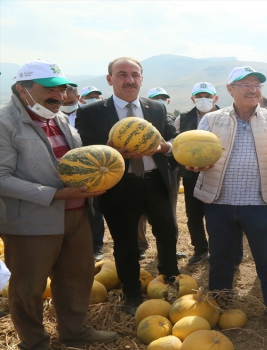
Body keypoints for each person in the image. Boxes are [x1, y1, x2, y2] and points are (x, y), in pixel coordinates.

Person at [0, 59, 117, 348]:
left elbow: (78, 160)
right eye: (50, 89)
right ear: (22, 89)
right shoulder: (4, 123)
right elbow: (1, 178)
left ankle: (74, 332)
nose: (59, 96)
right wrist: (54, 194)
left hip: (76, 215)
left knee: (77, 279)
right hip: (31, 219)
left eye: (63, 89)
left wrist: (108, 157)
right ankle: (35, 341)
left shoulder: (58, 117)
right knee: (29, 287)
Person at [191, 66, 267, 339]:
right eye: (245, 84)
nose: (253, 89)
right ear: (229, 90)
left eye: (257, 85)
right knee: (221, 260)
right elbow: (196, 153)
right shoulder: (212, 120)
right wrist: (194, 163)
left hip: (260, 204)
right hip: (219, 202)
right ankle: (218, 309)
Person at [75, 57, 181, 315]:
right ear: (110, 79)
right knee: (125, 244)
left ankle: (170, 282)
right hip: (119, 187)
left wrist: (163, 147)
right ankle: (132, 294)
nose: (129, 79)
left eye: (135, 74)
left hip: (155, 183)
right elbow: (85, 150)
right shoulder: (91, 112)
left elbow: (173, 139)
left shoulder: (156, 107)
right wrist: (110, 151)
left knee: (168, 234)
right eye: (122, 74)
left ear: (142, 79)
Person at [173, 82, 243, 266]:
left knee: (222, 214)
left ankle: (220, 250)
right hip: (191, 173)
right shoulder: (182, 119)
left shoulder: (229, 117)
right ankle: (200, 249)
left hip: (219, 172)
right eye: (199, 96)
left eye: (207, 96)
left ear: (216, 98)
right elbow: (176, 145)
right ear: (192, 99)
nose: (203, 100)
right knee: (193, 214)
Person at [142, 87, 185, 261]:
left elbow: (176, 139)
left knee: (168, 213)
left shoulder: (168, 118)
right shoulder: (138, 118)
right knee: (138, 216)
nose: (160, 100)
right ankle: (140, 247)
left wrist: (166, 146)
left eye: (163, 98)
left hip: (165, 172)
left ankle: (169, 251)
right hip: (134, 172)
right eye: (156, 97)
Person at [78, 87, 107, 261]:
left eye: (97, 96)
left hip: (96, 168)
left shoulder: (97, 115)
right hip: (77, 168)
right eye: (90, 97)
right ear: (81, 99)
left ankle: (96, 246)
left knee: (94, 211)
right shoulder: (61, 116)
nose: (94, 99)